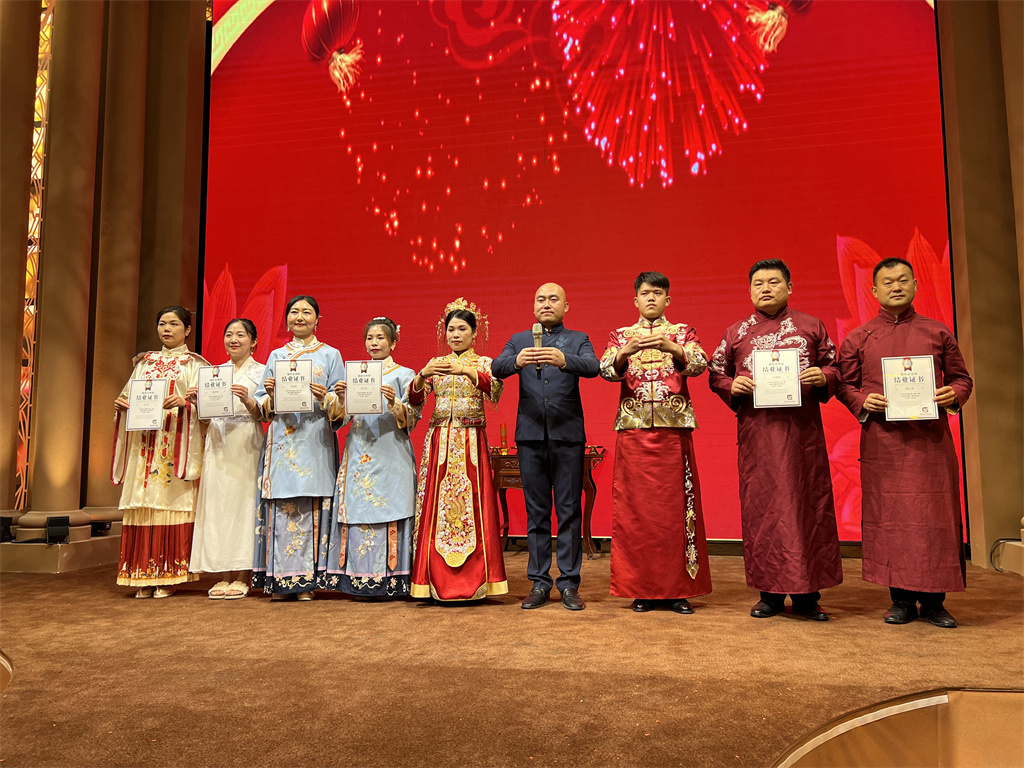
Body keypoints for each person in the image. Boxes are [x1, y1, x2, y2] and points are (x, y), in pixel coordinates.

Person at [836, 257, 973, 628]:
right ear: (873, 290)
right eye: (887, 282)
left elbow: (962, 379)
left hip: (930, 442)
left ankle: (935, 602)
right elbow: (844, 385)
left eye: (902, 280)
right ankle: (900, 600)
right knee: (891, 520)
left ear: (915, 284)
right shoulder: (859, 337)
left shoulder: (937, 331)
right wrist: (862, 400)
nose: (895, 287)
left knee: (934, 519)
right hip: (884, 443)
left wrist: (953, 394)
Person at [708, 259, 843, 620]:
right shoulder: (736, 332)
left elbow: (836, 366)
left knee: (806, 508)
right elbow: (715, 373)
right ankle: (769, 593)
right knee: (764, 511)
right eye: (758, 283)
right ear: (750, 290)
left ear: (789, 287)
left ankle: (808, 596)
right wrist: (731, 385)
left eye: (773, 282)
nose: (765, 288)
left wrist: (823, 377)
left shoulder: (811, 326)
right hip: (759, 436)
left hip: (802, 436)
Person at [599, 271, 712, 614]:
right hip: (633, 431)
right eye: (646, 293)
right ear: (635, 299)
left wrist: (673, 347)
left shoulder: (682, 332)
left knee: (676, 511)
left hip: (673, 431)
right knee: (635, 513)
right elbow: (605, 370)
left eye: (658, 293)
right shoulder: (621, 335)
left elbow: (700, 364)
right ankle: (641, 588)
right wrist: (624, 353)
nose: (651, 298)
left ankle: (677, 589)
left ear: (668, 299)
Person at [492, 283, 601, 611]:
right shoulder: (519, 340)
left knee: (569, 511)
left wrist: (564, 360)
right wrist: (516, 361)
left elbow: (594, 367)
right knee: (536, 512)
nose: (547, 304)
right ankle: (539, 582)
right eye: (541, 299)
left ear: (566, 307)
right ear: (534, 306)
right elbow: (496, 367)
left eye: (554, 299)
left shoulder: (578, 339)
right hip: (530, 436)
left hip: (567, 435)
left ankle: (569, 583)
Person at [408, 299, 508, 602]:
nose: (455, 334)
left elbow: (495, 390)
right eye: (450, 329)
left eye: (462, 329)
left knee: (475, 505)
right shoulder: (436, 363)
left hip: (471, 441)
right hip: (439, 440)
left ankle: (479, 579)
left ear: (474, 333)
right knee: (436, 507)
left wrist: (465, 370)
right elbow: (415, 400)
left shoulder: (484, 363)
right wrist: (422, 375)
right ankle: (432, 580)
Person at [317, 317, 420, 598]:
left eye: (381, 338)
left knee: (392, 507)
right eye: (370, 338)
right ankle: (358, 577)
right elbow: (342, 418)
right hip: (360, 448)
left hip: (391, 451)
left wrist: (394, 403)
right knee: (359, 507)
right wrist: (340, 398)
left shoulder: (405, 374)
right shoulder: (355, 374)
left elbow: (413, 416)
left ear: (393, 342)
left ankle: (394, 580)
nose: (374, 343)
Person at [252, 295, 344, 601]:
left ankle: (307, 582)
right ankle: (280, 580)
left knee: (311, 505)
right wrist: (270, 395)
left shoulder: (330, 355)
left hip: (314, 440)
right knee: (282, 506)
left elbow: (342, 402)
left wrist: (325, 397)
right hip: (283, 440)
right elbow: (261, 405)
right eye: (294, 312)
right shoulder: (276, 355)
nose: (300, 317)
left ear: (318, 319)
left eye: (306, 312)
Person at [112, 306, 207, 598]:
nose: (167, 329)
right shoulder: (144, 363)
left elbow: (208, 410)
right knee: (143, 505)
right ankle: (141, 574)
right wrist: (121, 406)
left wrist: (186, 404)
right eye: (162, 324)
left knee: (170, 504)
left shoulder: (195, 365)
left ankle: (169, 574)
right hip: (144, 447)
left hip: (175, 444)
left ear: (187, 330)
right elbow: (128, 396)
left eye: (174, 324)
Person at [188, 318, 265, 600]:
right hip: (218, 441)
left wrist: (248, 400)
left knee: (243, 505)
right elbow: (206, 418)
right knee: (218, 505)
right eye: (229, 334)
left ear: (253, 341)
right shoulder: (214, 373)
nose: (234, 339)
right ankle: (222, 573)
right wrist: (198, 403)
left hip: (245, 441)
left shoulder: (262, 371)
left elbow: (263, 414)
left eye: (241, 335)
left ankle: (244, 574)